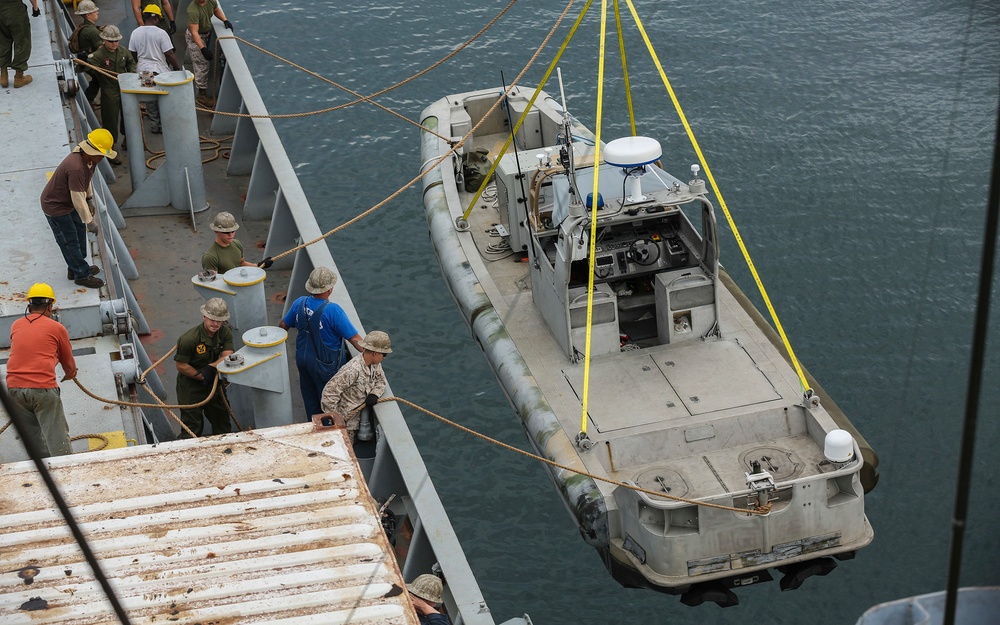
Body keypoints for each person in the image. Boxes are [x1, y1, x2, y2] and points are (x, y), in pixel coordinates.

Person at [279, 267, 363, 420]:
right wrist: (372, 352)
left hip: (303, 359)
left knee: (310, 398)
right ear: (330, 289)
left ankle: (314, 426)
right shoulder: (333, 310)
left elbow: (283, 325)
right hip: (325, 366)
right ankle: (328, 432)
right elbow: (355, 340)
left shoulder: (299, 303)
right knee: (329, 403)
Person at [5, 283, 77, 458]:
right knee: (57, 438)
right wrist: (71, 374)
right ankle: (67, 471)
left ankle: (43, 469)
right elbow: (68, 362)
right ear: (50, 306)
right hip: (42, 389)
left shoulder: (16, 325)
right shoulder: (56, 328)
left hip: (14, 388)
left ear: (29, 306)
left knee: (33, 439)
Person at [40, 128, 113, 289]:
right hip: (56, 206)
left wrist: (90, 198)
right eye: (101, 154)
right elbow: (77, 197)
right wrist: (90, 220)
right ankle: (81, 274)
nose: (103, 158)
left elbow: (85, 183)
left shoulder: (90, 160)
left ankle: (76, 267)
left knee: (79, 232)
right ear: (91, 150)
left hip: (68, 203)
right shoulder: (76, 167)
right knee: (69, 240)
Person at [174, 298, 234, 438]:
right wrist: (201, 376)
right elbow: (181, 365)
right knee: (192, 428)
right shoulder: (188, 339)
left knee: (222, 421)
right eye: (212, 319)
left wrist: (211, 367)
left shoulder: (224, 333)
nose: (215, 324)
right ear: (204, 317)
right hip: (191, 387)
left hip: (213, 383)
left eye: (219, 320)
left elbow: (228, 354)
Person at [320, 331, 391, 442]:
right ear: (375, 353)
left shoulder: (375, 365)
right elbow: (329, 394)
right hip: (346, 423)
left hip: (358, 420)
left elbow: (381, 381)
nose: (384, 358)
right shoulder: (352, 370)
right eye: (384, 354)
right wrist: (336, 419)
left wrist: (374, 394)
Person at [84, 25, 134, 163]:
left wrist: (131, 75)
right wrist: (98, 74)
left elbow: (131, 63)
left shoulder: (123, 52)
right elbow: (90, 67)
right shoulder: (98, 56)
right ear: (104, 40)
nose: (114, 44)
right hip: (109, 91)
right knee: (110, 122)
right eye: (111, 41)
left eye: (116, 41)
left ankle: (127, 141)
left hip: (124, 89)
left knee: (129, 118)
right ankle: (111, 149)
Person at [128, 4, 181, 134]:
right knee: (164, 98)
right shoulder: (161, 33)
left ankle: (155, 125)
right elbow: (169, 54)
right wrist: (176, 68)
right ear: (157, 18)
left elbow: (133, 52)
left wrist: (139, 63)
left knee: (150, 100)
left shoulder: (135, 32)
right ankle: (166, 125)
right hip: (160, 71)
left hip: (144, 70)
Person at [185, 0, 231, 107]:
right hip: (196, 38)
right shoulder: (193, 10)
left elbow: (216, 10)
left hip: (206, 33)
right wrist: (202, 49)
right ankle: (201, 96)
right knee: (202, 65)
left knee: (204, 63)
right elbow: (194, 32)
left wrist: (225, 20)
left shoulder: (210, 1)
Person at [0, 0, 41, 88]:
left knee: (2, 42)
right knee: (22, 42)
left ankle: (3, 76)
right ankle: (19, 77)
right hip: (16, 10)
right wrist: (35, 8)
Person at [70, 0, 103, 104]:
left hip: (85, 61)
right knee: (106, 81)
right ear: (88, 15)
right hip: (91, 62)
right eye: (94, 11)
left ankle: (88, 100)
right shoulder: (92, 31)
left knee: (96, 81)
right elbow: (101, 50)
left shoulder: (84, 27)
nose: (97, 12)